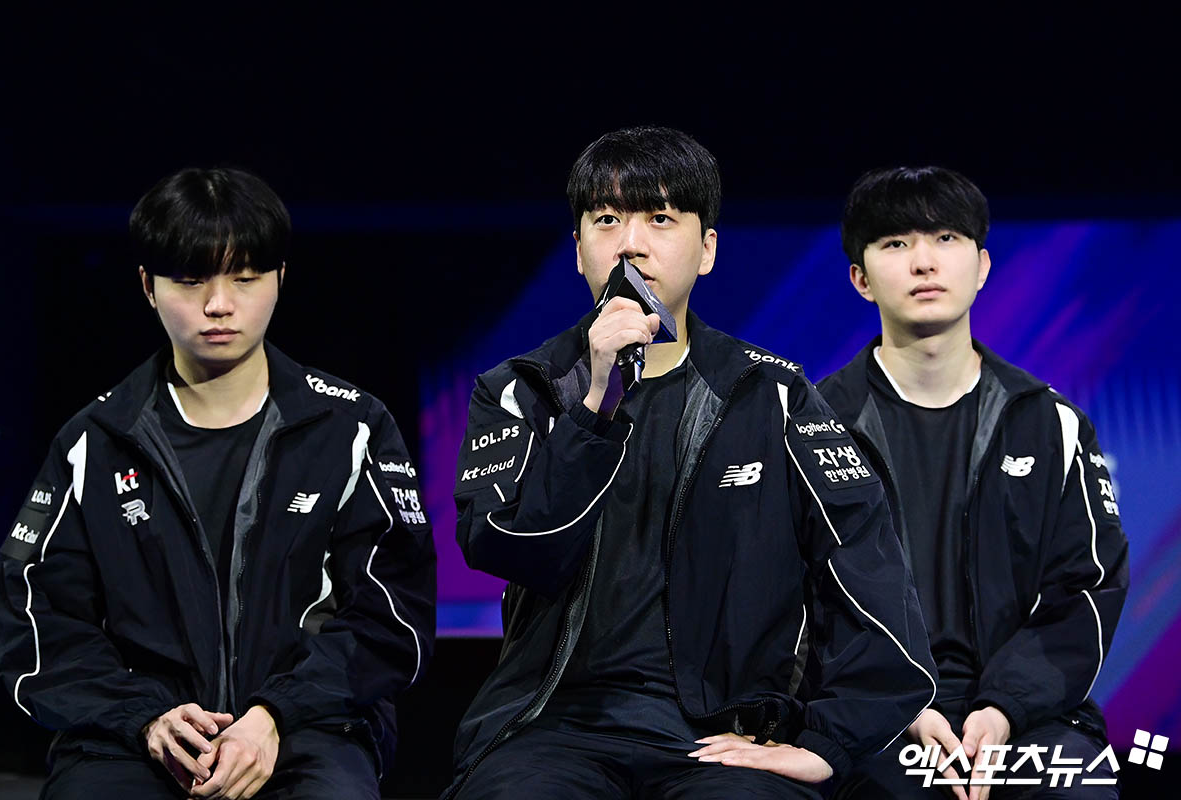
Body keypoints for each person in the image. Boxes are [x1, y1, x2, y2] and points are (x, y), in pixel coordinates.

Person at [442, 126, 937, 800]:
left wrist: (830, 743)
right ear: (579, 250)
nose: (630, 243)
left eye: (660, 218)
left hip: (724, 735)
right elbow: (509, 547)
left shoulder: (772, 394)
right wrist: (593, 407)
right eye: (606, 220)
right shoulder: (519, 390)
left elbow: (867, 569)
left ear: (706, 250)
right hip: (553, 730)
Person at [0, 167, 436, 799]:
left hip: (308, 731)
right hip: (127, 741)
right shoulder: (92, 440)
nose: (219, 304)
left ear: (281, 278)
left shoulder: (352, 428)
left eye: (245, 278)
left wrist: (274, 714)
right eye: (190, 280)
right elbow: (38, 619)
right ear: (147, 286)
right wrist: (144, 718)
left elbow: (392, 614)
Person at [818, 166, 1129, 800]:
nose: (924, 262)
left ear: (982, 266)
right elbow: (794, 602)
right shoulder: (813, 427)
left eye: (946, 238)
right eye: (896, 243)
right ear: (860, 279)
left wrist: (1003, 708)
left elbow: (1088, 588)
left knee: (1077, 791)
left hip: (1029, 717)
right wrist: (894, 704)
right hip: (872, 721)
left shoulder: (1051, 424)